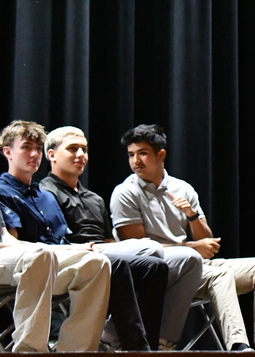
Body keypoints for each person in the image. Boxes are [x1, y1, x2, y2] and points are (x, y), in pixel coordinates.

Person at [0, 121, 168, 351]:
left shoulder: (44, 197)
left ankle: (133, 344)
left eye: (38, 148)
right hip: (35, 264)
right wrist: (76, 249)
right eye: (27, 148)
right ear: (8, 152)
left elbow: (63, 238)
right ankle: (132, 348)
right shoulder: (3, 190)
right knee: (112, 263)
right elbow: (16, 246)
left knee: (153, 265)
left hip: (68, 257)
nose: (35, 154)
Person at [110, 124, 255, 351]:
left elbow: (207, 239)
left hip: (199, 263)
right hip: (166, 270)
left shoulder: (182, 188)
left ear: (160, 155)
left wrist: (192, 216)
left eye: (142, 153)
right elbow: (136, 247)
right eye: (131, 155)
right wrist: (192, 247)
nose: (136, 161)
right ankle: (238, 346)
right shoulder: (125, 192)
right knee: (219, 275)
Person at [40, 125, 204, 351]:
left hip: (106, 252)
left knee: (178, 262)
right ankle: (124, 338)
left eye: (84, 150)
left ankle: (155, 344)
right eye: (72, 149)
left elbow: (110, 241)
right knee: (151, 251)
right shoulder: (45, 193)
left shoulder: (94, 198)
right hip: (77, 255)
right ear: (51, 155)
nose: (80, 155)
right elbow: (55, 241)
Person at [0, 99, 111, 352]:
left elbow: (5, 236)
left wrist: (70, 250)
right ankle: (30, 350)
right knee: (39, 255)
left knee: (95, 263)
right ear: (7, 152)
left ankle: (74, 349)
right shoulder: (1, 186)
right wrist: (1, 246)